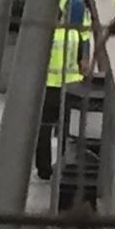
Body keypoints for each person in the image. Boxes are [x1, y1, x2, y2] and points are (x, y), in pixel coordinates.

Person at [36, 19, 88, 180]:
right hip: (72, 88)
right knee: (69, 131)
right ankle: (66, 167)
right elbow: (83, 63)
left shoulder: (44, 35)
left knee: (44, 130)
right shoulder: (74, 34)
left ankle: (43, 169)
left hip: (48, 87)